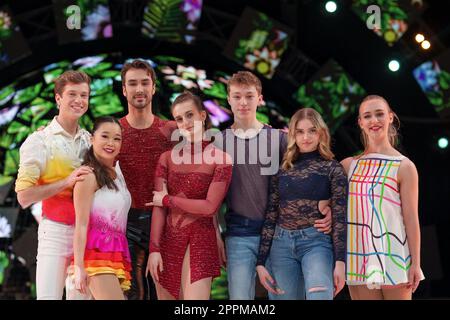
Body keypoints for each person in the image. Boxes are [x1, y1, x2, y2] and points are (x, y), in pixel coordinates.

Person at [217, 71, 332, 299]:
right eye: (237, 96)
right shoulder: (218, 142)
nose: (243, 102)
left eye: (249, 96)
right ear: (228, 99)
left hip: (280, 234)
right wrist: (215, 234)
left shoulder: (279, 139)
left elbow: (309, 177)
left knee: (283, 296)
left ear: (259, 98)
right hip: (238, 234)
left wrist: (327, 206)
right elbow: (210, 196)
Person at [146, 91, 233, 300]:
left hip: (201, 241)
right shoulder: (166, 158)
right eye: (179, 118)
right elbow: (158, 209)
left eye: (190, 115)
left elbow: (210, 207)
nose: (185, 122)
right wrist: (154, 249)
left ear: (202, 116)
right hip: (167, 241)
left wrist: (168, 200)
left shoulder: (221, 159)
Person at [15, 70, 93, 299]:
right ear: (58, 98)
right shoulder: (39, 141)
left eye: (84, 95)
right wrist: (66, 182)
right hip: (55, 233)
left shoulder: (91, 141)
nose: (79, 100)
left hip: (88, 235)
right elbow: (24, 197)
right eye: (72, 94)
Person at [256, 108, 347, 300]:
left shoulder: (333, 169)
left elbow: (340, 218)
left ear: (321, 132)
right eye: (300, 131)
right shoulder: (282, 170)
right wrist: (261, 261)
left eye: (312, 130)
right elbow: (272, 213)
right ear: (293, 135)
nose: (306, 137)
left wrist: (340, 262)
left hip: (316, 243)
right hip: (280, 245)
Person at [341, 95, 424, 300]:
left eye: (379, 114)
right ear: (360, 123)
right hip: (358, 255)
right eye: (367, 116)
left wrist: (416, 263)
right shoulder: (347, 165)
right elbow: (329, 205)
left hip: (394, 255)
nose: (374, 120)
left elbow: (411, 219)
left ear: (390, 117)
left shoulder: (404, 166)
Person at [117, 59, 177, 300]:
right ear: (124, 90)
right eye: (132, 83)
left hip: (164, 222)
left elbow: (209, 145)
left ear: (154, 88)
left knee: (167, 293)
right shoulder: (113, 132)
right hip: (124, 224)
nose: (139, 89)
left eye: (144, 83)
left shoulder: (172, 130)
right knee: (132, 294)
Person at [67, 116, 131, 300]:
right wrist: (78, 266)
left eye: (117, 138)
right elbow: (80, 224)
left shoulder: (118, 174)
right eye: (105, 136)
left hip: (116, 253)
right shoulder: (87, 175)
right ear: (92, 138)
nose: (111, 143)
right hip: (95, 255)